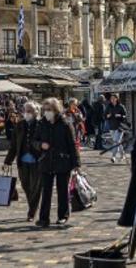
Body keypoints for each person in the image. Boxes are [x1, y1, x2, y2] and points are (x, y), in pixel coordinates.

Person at [35, 98, 80, 228]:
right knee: (46, 191)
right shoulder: (41, 124)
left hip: (62, 161)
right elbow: (34, 141)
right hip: (46, 161)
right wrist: (40, 145)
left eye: (49, 110)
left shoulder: (65, 124)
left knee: (62, 191)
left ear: (56, 110)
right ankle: (43, 218)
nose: (46, 112)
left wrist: (76, 163)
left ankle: (63, 216)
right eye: (45, 110)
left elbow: (72, 145)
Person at [4, 102, 42, 221]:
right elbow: (14, 145)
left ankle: (31, 212)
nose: (27, 113)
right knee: (26, 186)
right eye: (26, 111)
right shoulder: (19, 125)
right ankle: (32, 207)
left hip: (37, 161)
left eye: (30, 111)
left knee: (35, 187)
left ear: (36, 112)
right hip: (23, 161)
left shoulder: (41, 125)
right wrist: (8, 161)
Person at [105, 94, 128, 163]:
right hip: (112, 126)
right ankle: (122, 155)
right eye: (111, 98)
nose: (112, 100)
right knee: (117, 142)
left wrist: (120, 115)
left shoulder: (121, 106)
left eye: (113, 98)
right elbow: (104, 115)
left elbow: (125, 116)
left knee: (116, 141)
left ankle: (113, 156)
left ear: (117, 99)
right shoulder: (108, 106)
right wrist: (107, 116)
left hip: (120, 127)